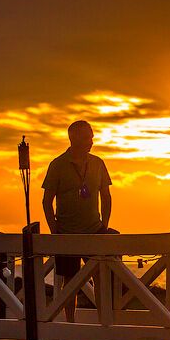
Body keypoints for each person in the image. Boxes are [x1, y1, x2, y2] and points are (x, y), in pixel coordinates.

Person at [42, 120, 112, 322]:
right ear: (74, 138)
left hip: (94, 229)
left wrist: (105, 226)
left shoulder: (98, 163)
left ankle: (103, 323)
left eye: (92, 136)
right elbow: (47, 201)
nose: (92, 140)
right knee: (69, 280)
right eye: (88, 136)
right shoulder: (58, 165)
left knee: (100, 277)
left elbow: (106, 196)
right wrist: (54, 230)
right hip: (67, 232)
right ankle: (70, 324)